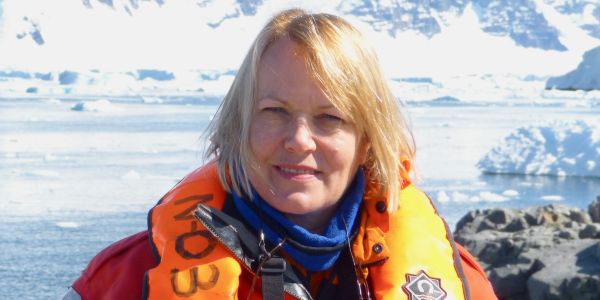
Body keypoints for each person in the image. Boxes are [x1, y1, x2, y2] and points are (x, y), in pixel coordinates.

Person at [64, 8, 497, 300]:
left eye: (331, 118)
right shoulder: (125, 278)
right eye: (275, 112)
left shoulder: (463, 283)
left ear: (368, 139)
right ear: (238, 125)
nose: (299, 140)